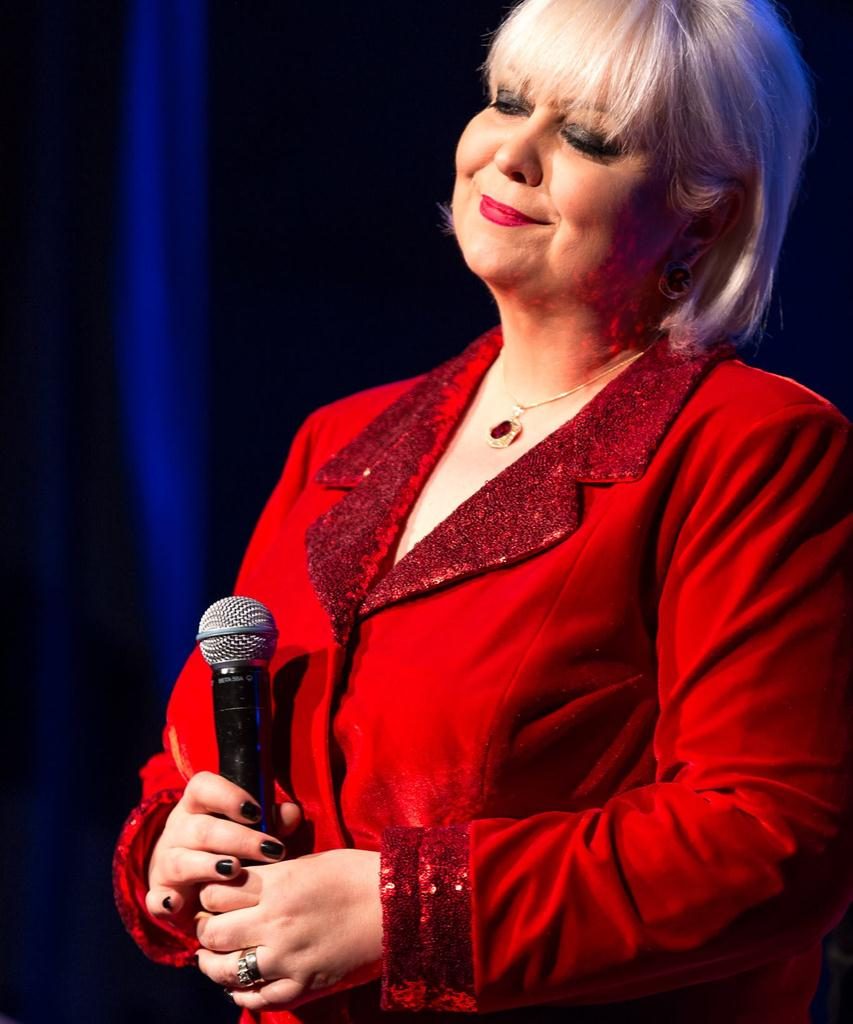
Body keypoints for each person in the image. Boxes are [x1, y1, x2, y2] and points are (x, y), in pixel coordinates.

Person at [113, 0, 853, 1021]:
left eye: (587, 136)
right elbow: (190, 757)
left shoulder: (751, 446)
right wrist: (176, 844)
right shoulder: (339, 441)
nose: (511, 153)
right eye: (507, 101)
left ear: (704, 214)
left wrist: (405, 912)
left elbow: (772, 838)